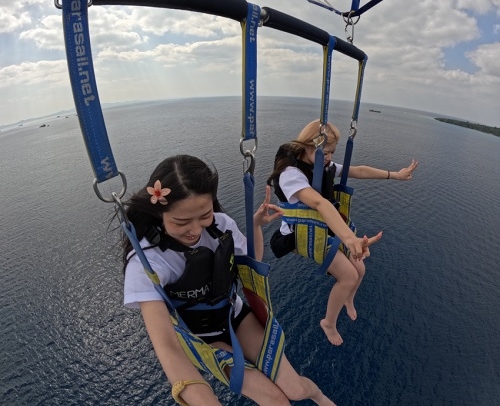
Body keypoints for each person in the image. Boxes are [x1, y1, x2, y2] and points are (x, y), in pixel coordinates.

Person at [122, 155, 337, 406]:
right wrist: (201, 397)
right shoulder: (147, 262)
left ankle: (318, 396)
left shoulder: (220, 226)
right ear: (159, 212)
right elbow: (166, 344)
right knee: (275, 399)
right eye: (181, 222)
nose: (196, 230)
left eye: (204, 215)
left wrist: (255, 225)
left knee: (295, 389)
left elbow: (251, 264)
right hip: (202, 339)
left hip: (235, 315)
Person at [267, 120, 418, 346]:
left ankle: (348, 298)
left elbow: (358, 170)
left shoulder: (321, 164)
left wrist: (393, 175)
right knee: (348, 276)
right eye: (325, 152)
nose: (329, 157)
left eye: (332, 152)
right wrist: (349, 238)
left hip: (322, 228)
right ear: (307, 146)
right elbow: (319, 203)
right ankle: (328, 322)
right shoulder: (291, 175)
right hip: (300, 235)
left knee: (360, 269)